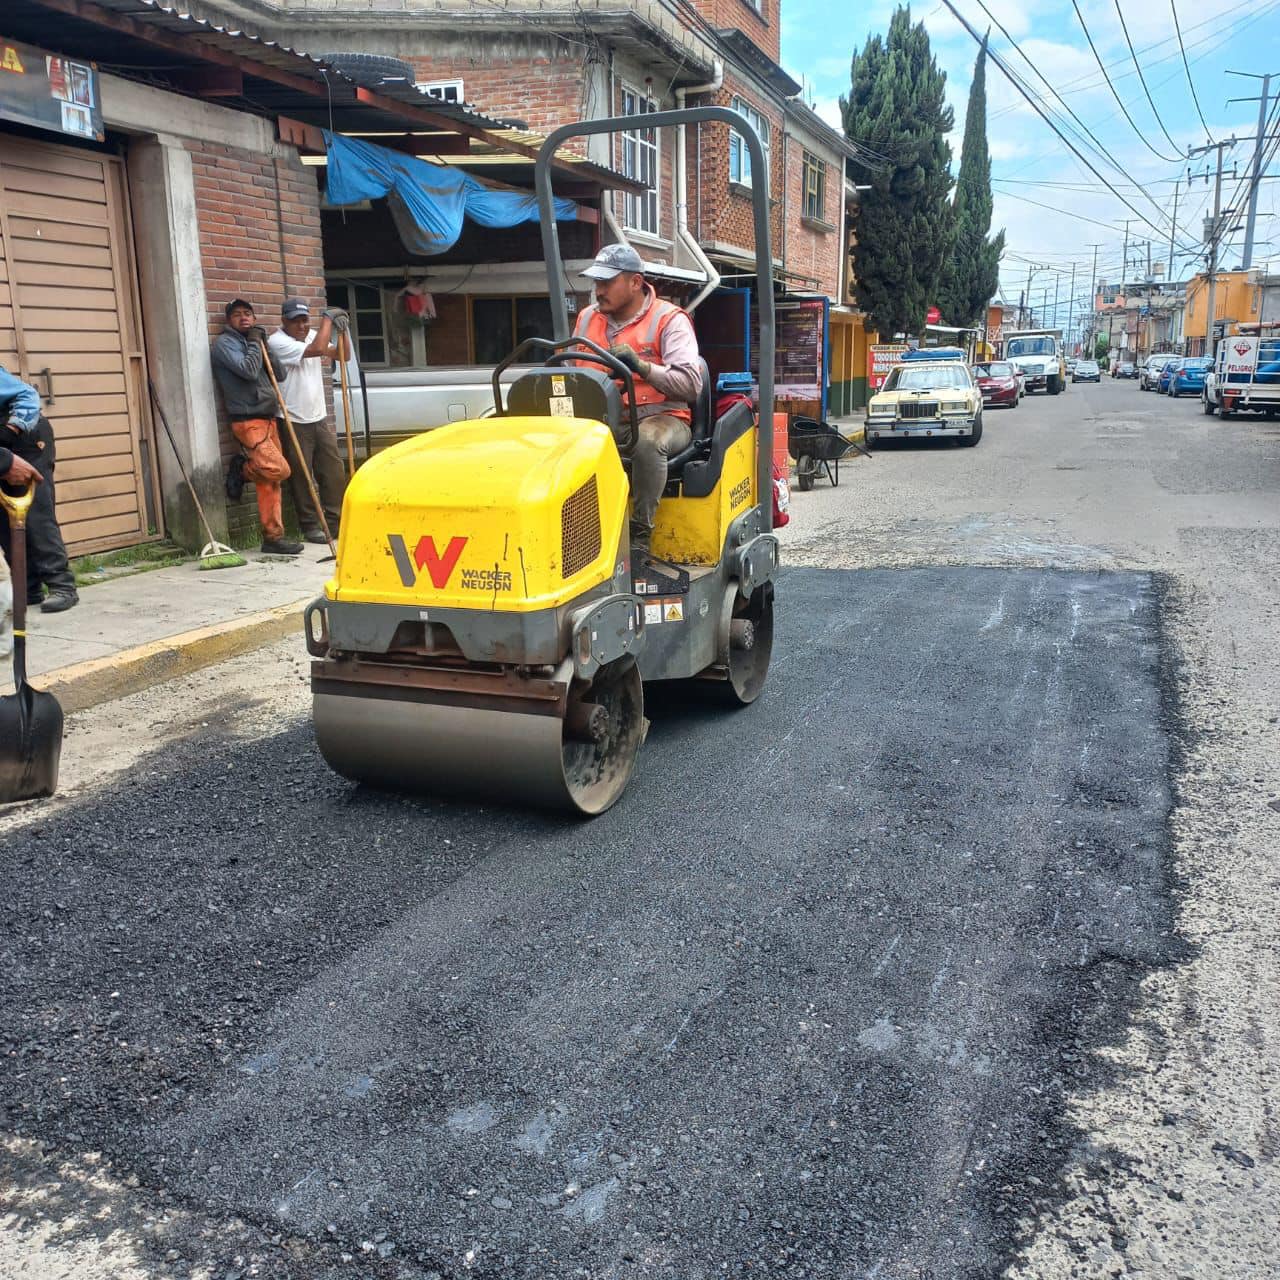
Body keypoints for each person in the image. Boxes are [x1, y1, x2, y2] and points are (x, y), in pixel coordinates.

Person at [573, 244, 702, 556]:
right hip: (603, 420)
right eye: (596, 283)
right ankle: (580, 537)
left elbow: (691, 384)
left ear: (635, 282)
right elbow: (569, 370)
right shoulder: (588, 319)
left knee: (646, 440)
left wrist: (643, 367)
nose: (598, 290)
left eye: (607, 282)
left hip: (662, 417)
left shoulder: (669, 320)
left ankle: (640, 537)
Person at [210, 299, 302, 556]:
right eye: (237, 315)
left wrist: (265, 347)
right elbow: (249, 371)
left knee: (270, 483)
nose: (244, 318)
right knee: (278, 469)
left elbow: (280, 374)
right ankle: (243, 469)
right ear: (229, 320)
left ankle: (273, 537)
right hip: (247, 420)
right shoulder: (225, 345)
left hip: (269, 417)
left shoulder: (255, 340)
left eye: (248, 314)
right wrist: (254, 342)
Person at [267, 299, 349, 543]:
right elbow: (315, 350)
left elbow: (344, 356)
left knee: (333, 471)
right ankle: (310, 525)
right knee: (302, 475)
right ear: (284, 321)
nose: (301, 326)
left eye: (304, 320)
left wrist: (343, 330)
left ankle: (336, 523)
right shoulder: (277, 342)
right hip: (293, 419)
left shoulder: (314, 334)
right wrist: (327, 319)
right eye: (295, 321)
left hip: (318, 417)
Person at [0, 365, 78, 612]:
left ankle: (61, 584)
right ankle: (28, 588)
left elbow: (28, 395)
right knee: (5, 516)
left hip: (27, 436)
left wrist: (11, 429)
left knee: (36, 513)